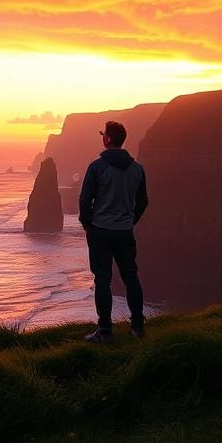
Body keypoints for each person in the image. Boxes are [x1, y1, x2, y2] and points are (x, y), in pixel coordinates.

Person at [78, 120, 148, 342]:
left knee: (102, 280)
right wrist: (130, 221)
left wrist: (87, 225)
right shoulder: (137, 169)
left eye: (103, 135)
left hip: (100, 231)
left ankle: (105, 331)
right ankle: (137, 327)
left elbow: (84, 200)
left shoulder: (96, 167)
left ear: (107, 139)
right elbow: (143, 201)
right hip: (124, 232)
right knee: (131, 277)